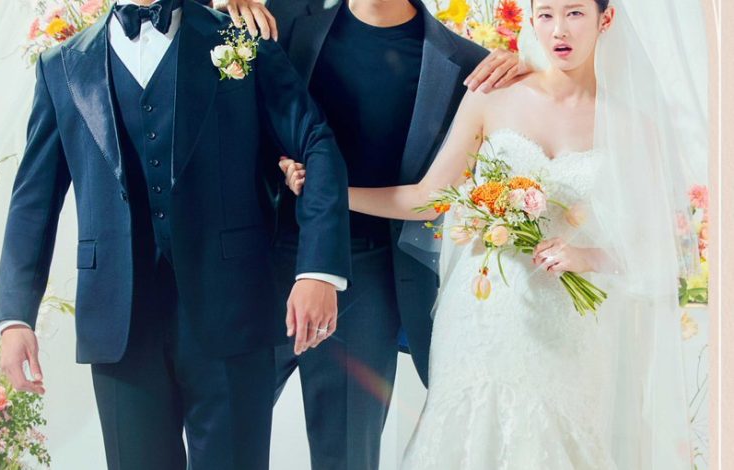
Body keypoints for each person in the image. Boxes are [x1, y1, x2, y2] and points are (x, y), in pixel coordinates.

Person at [281, 0, 698, 467]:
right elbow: (428, 197)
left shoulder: (632, 126)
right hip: (480, 313)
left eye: (576, 13)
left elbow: (657, 246)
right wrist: (331, 191)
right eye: (546, 14)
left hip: (566, 326)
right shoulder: (493, 95)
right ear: (531, 20)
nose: (559, 29)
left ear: (607, 18)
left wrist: (585, 256)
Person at [0, 0, 351, 468]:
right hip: (119, 328)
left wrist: (319, 271)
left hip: (232, 311)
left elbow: (315, 141)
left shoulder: (239, 41)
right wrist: (15, 317)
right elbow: (33, 200)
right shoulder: (60, 66)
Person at [240, 0, 525, 467]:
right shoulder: (289, 28)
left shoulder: (466, 64)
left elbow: (543, 103)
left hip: (369, 278)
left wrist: (526, 65)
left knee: (348, 455)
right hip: (269, 264)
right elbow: (236, 123)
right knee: (224, 439)